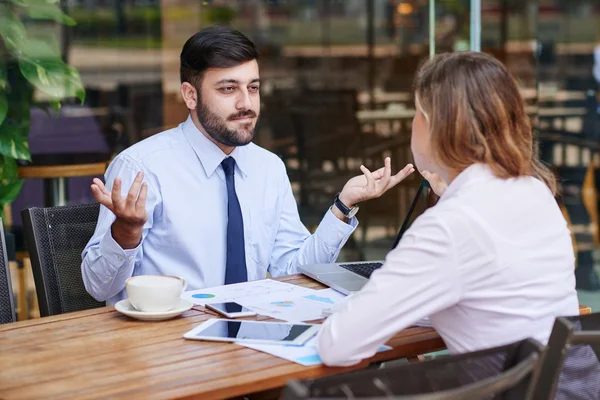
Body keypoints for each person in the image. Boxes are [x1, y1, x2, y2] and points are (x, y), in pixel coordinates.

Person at [81, 26, 414, 305]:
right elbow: (99, 288)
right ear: (190, 95)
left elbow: (294, 271)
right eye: (228, 89)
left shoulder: (267, 167)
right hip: (168, 347)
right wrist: (126, 232)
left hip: (254, 338)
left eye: (252, 88)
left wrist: (343, 207)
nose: (246, 104)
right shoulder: (141, 169)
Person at [317, 52, 585, 379]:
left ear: (434, 126)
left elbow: (338, 345)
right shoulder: (534, 191)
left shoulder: (449, 228)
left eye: (417, 112)